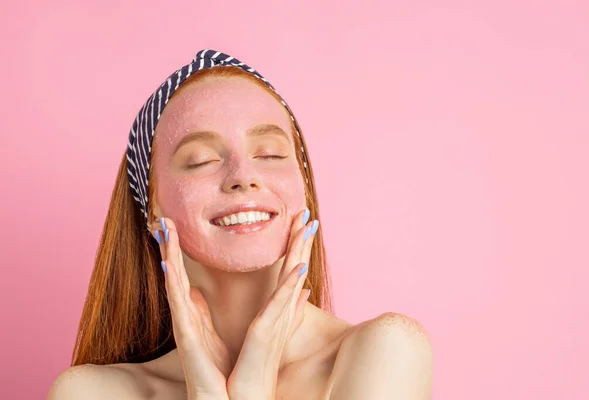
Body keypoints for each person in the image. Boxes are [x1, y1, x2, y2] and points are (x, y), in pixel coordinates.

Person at [47, 49, 433, 399]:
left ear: (303, 186)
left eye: (271, 153)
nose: (243, 176)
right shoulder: (91, 393)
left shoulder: (385, 352)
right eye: (200, 160)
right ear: (151, 209)